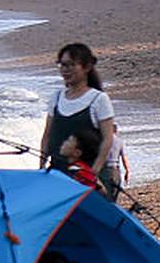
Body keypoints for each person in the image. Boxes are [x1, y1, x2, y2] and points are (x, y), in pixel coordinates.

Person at [39, 44, 118, 191]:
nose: (65, 70)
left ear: (86, 67)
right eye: (62, 65)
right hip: (59, 175)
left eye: (71, 65)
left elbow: (108, 139)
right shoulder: (56, 97)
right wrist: (42, 166)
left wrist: (93, 174)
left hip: (89, 178)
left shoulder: (98, 99)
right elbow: (48, 135)